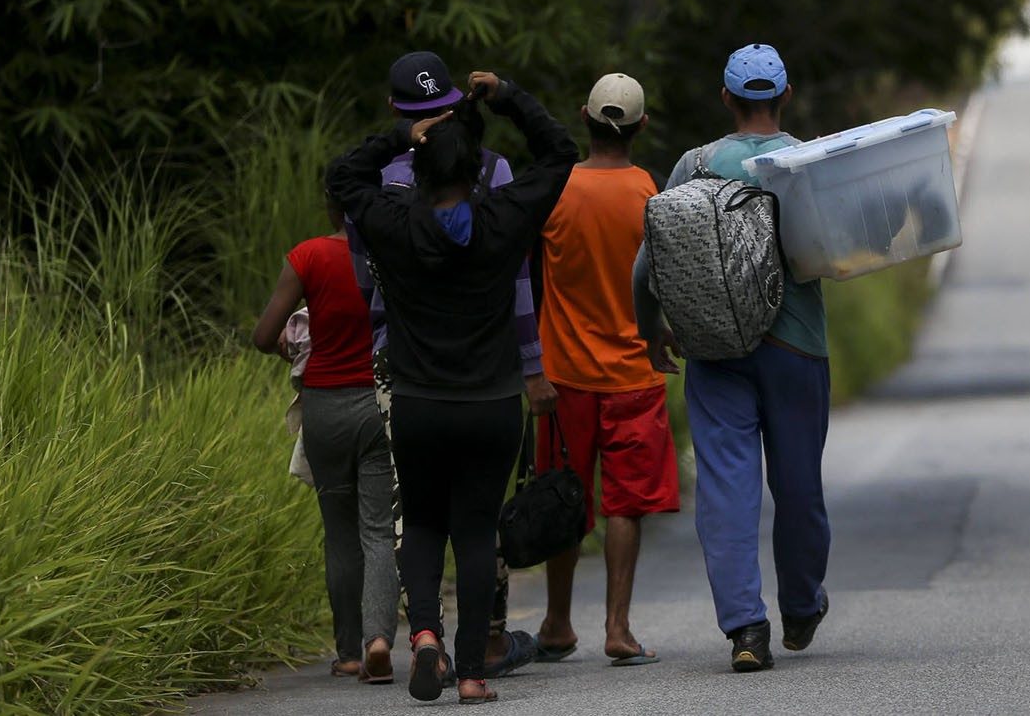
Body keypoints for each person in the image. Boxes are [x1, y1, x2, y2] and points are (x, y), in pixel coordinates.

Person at [326, 71, 575, 704]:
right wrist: (509, 96)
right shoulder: (503, 218)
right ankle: (469, 675)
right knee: (474, 531)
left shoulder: (395, 225)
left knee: (426, 525)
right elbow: (560, 152)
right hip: (491, 406)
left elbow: (342, 178)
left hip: (418, 403)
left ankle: (426, 638)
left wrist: (398, 137)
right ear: (476, 168)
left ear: (421, 169)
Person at [632, 44, 831, 673]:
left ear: (726, 99)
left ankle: (747, 628)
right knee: (798, 483)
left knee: (726, 488)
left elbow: (649, 259)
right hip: (796, 347)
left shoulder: (695, 165)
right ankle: (801, 605)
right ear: (786, 95)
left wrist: (650, 329)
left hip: (714, 348)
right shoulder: (806, 162)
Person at [532, 73, 680, 667]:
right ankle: (618, 629)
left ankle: (556, 622)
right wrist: (661, 332)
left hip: (562, 374)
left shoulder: (554, 190)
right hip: (634, 376)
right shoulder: (651, 193)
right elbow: (663, 279)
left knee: (565, 499)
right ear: (641, 127)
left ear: (583, 118)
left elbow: (528, 279)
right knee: (625, 504)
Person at [251, 192, 399, 685]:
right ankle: (379, 638)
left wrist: (289, 346)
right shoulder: (388, 252)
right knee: (378, 530)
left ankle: (349, 653)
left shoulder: (308, 256)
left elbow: (264, 334)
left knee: (339, 535)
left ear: (330, 207)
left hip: (324, 410)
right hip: (377, 404)